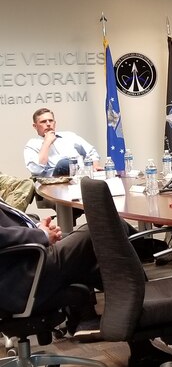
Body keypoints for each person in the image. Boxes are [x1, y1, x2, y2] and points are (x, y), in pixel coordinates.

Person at [0, 196, 101, 337]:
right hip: (18, 276)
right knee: (97, 230)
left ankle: (86, 318)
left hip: (25, 262)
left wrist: (37, 226)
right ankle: (132, 307)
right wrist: (42, 235)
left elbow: (9, 221)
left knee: (85, 240)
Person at [24, 108, 100, 177]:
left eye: (50, 121)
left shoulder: (69, 136)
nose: (48, 124)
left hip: (82, 176)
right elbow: (36, 170)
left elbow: (91, 151)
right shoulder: (32, 145)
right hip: (54, 181)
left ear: (55, 123)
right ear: (35, 126)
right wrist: (47, 142)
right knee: (64, 163)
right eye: (43, 122)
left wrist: (95, 168)